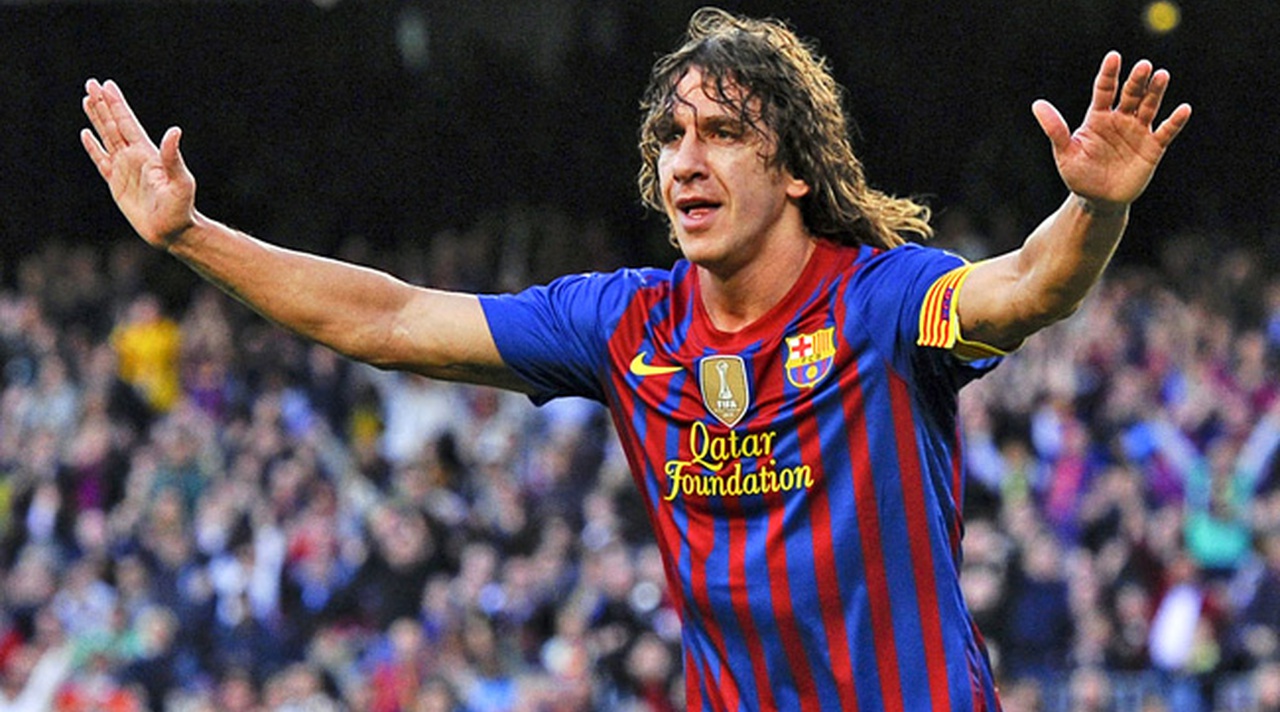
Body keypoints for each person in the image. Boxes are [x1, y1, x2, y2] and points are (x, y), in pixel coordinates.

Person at [80, 8, 1190, 711]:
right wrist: (191, 235)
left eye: (722, 133)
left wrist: (1093, 209)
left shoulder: (879, 301)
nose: (684, 162)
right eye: (670, 136)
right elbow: (391, 319)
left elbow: (1027, 288)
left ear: (795, 169)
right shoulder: (625, 325)